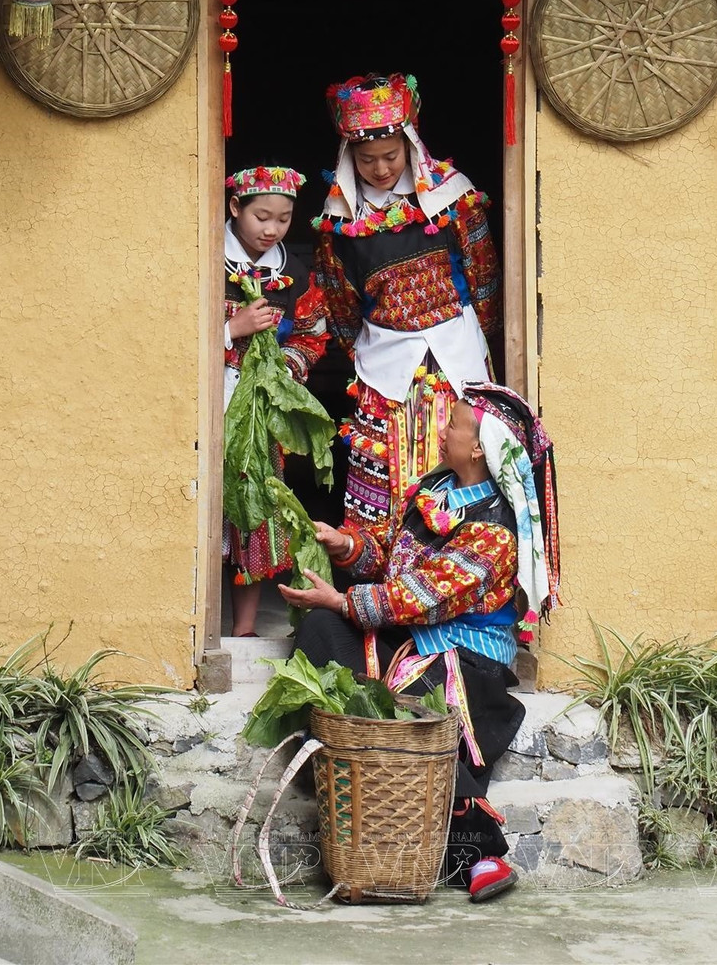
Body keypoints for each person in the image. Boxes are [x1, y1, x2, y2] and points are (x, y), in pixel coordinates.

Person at [279, 383, 561, 902]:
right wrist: (348, 546)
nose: (441, 430)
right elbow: (389, 556)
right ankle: (334, 756)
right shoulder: (433, 490)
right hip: (413, 642)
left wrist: (345, 602)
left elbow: (422, 595)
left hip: (466, 662)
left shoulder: (496, 531)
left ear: (478, 447)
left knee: (421, 705)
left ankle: (480, 854)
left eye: (452, 423)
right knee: (318, 631)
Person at [314, 73, 500, 550]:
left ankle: (444, 587)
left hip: (455, 358)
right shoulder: (339, 221)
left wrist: (481, 332)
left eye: (391, 156)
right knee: (384, 480)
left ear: (411, 143)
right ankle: (377, 593)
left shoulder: (453, 200)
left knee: (459, 467)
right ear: (349, 156)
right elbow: (339, 305)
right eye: (367, 159)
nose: (380, 169)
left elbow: (484, 276)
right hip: (386, 367)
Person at [223, 166, 329, 637]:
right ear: (234, 208)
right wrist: (231, 330)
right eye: (261, 216)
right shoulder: (203, 260)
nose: (271, 230)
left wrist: (283, 370)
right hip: (209, 403)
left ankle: (244, 633)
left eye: (283, 220)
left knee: (255, 509)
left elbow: (313, 332)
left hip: (261, 409)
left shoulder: (294, 273)